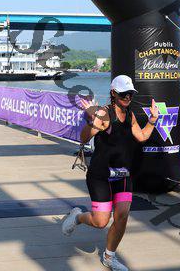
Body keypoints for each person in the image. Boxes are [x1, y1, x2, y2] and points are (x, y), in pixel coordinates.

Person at [62, 75, 159, 271]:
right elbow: (83, 138)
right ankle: (78, 216)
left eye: (130, 93)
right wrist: (92, 123)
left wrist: (152, 121)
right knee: (100, 222)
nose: (127, 97)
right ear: (113, 93)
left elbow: (141, 136)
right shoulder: (104, 114)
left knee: (122, 215)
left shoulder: (130, 115)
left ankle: (109, 257)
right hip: (100, 175)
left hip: (122, 173)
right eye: (123, 94)